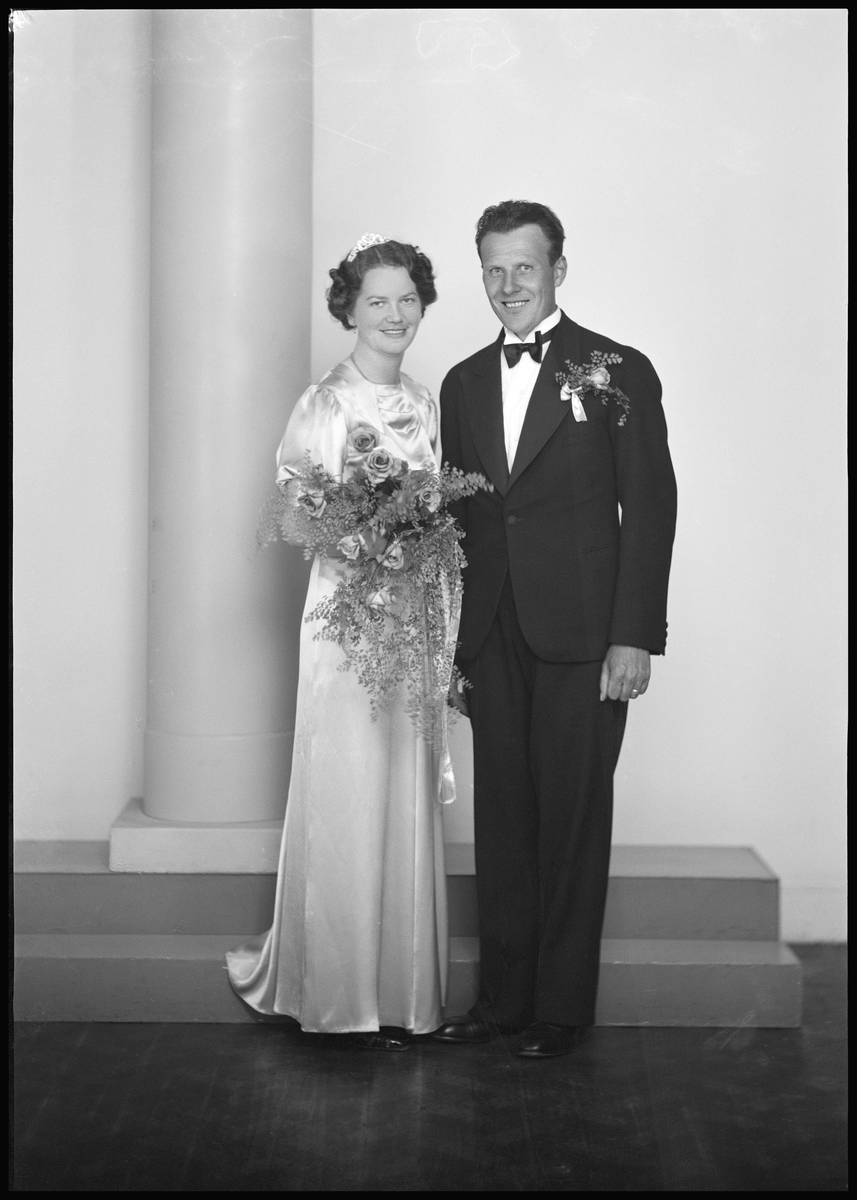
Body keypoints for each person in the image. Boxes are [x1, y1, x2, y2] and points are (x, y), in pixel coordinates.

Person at [434, 200, 677, 1058]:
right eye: (494, 269)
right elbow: (459, 522)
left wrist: (632, 635)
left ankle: (560, 1012)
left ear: (557, 270)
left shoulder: (615, 370)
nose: (509, 285)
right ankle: (502, 1003)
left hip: (585, 638)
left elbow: (650, 507)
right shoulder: (461, 382)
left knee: (571, 822)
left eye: (524, 267)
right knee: (502, 821)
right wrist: (450, 645)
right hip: (490, 632)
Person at [227, 234, 450, 1050]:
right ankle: (336, 991)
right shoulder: (325, 403)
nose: (394, 314)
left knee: (399, 782)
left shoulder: (424, 402)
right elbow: (292, 511)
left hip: (410, 619)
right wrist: (364, 537)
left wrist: (421, 542)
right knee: (348, 784)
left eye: (407, 299)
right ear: (349, 310)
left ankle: (398, 993)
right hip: (346, 622)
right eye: (376, 300)